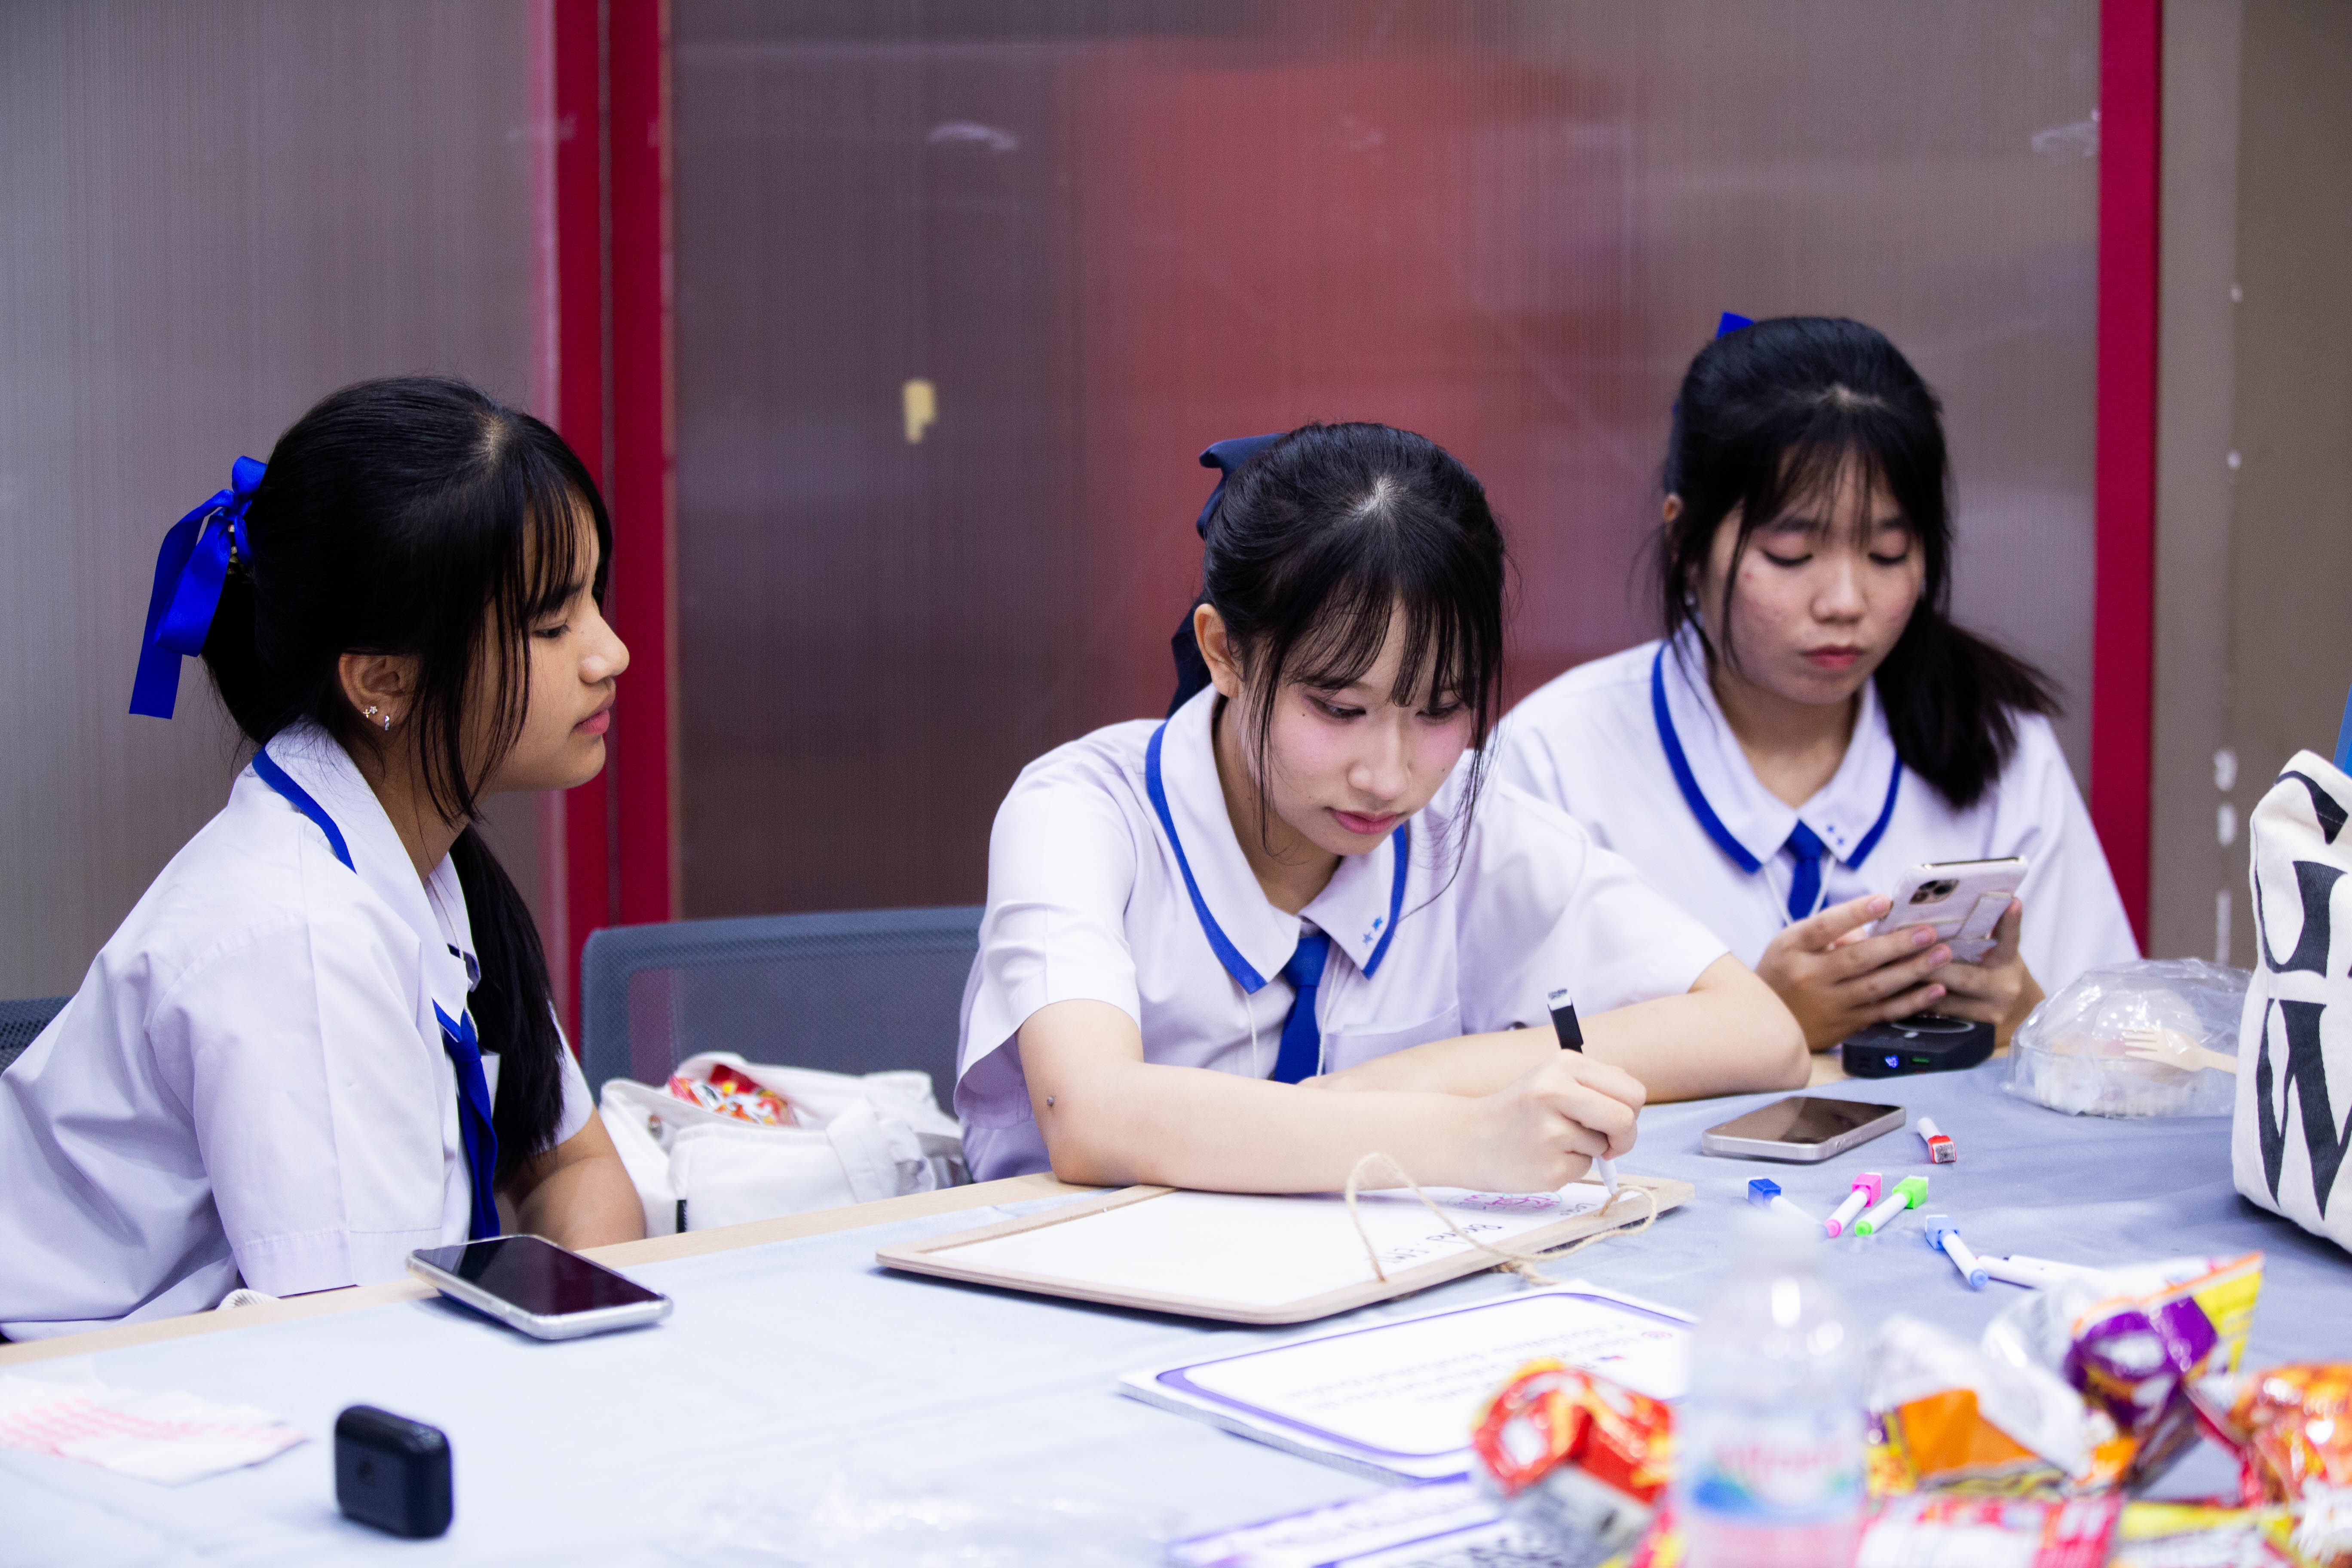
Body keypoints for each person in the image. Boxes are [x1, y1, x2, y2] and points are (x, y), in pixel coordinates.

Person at [955, 423, 1806, 1193]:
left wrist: (1409, 1078)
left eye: (1440, 709)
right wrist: (1466, 1136)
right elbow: (1093, 1116)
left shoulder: (1464, 819)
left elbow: (1759, 1033)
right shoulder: (1082, 813)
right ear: (1225, 652)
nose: (1389, 777)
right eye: (1339, 708)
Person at [0, 376, 644, 1340]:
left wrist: (576, 1320)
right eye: (552, 625)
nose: (610, 653)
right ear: (383, 680)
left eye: (595, 597)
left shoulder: (425, 860)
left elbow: (573, 1167)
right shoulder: (296, 935)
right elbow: (361, 1348)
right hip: (78, 1402)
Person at [1497, 316, 2136, 1057]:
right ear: (1684, 540)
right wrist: (1754, 1030)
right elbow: (1492, 1068)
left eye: (1887, 553)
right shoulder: (1553, 762)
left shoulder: (1998, 744)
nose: (1844, 602)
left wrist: (2030, 1019)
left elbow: (2129, 1058)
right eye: (1792, 553)